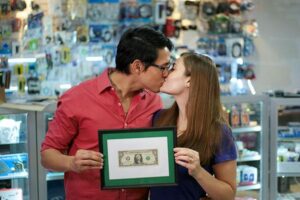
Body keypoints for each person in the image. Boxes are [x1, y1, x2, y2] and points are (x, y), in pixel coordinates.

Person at [40, 26, 174, 200]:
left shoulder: (154, 102)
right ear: (138, 67)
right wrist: (71, 163)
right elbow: (47, 155)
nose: (166, 74)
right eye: (163, 67)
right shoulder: (77, 98)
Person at [150, 52, 237, 200]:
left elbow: (228, 195)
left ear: (189, 80)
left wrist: (198, 172)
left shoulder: (218, 132)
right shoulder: (158, 118)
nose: (165, 73)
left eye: (173, 68)